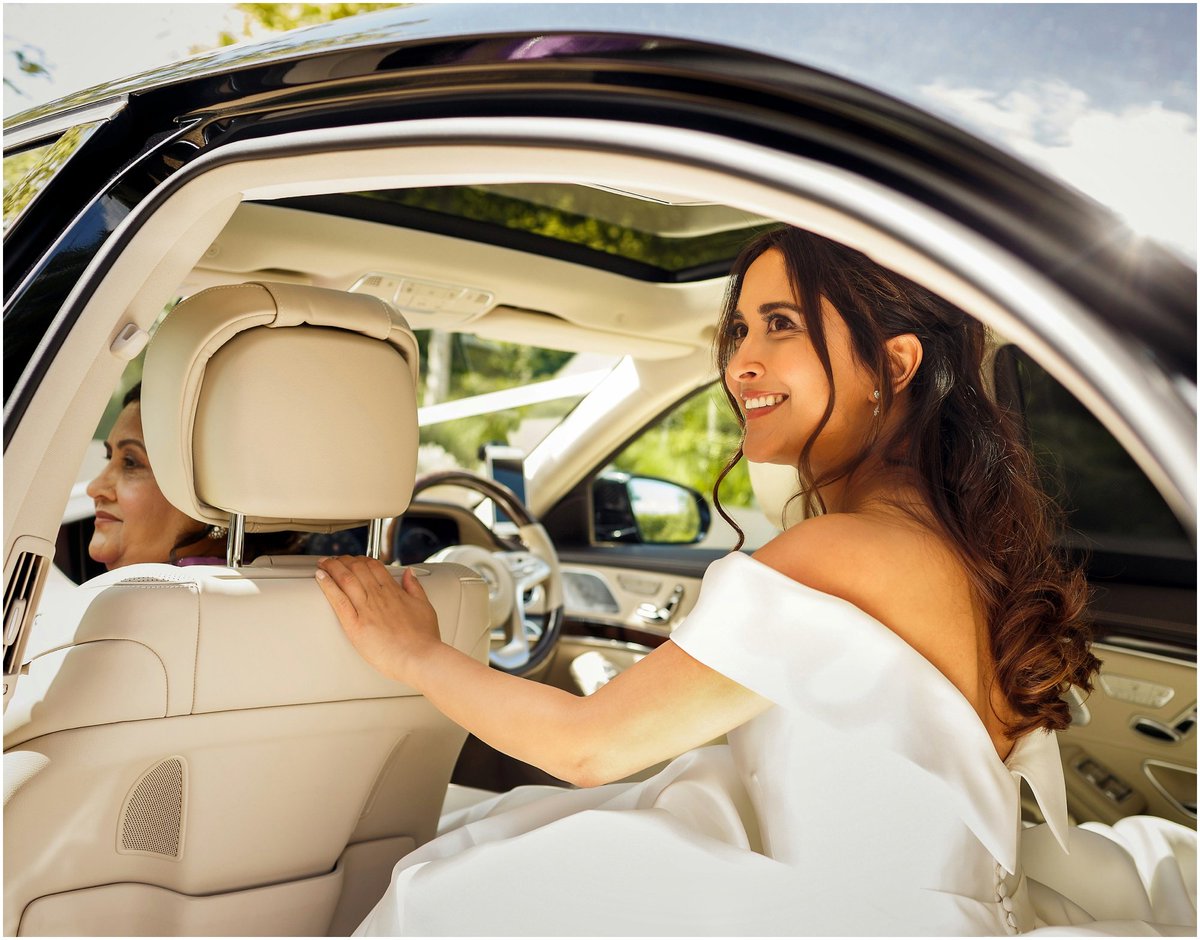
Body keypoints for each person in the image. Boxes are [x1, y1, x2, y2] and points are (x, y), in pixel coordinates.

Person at [313, 227, 1162, 935]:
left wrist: (414, 651)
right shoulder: (952, 547)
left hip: (845, 915)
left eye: (782, 324)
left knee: (456, 891)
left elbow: (587, 747)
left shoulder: (843, 551)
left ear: (895, 363)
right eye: (740, 331)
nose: (742, 364)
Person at [88, 382, 303, 569]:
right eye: (109, 457)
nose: (95, 487)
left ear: (217, 500)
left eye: (130, 463)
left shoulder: (152, 610)